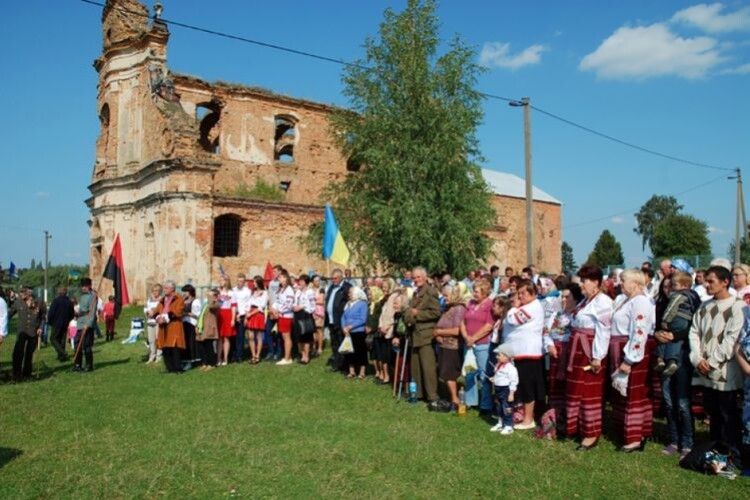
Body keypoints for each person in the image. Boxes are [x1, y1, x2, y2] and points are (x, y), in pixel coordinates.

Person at [688, 265, 744, 451]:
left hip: (726, 371)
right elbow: (694, 332)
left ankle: (730, 452)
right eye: (706, 281)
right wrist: (696, 358)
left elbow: (732, 339)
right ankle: (714, 449)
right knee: (713, 412)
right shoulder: (704, 306)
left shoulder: (738, 307)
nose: (706, 285)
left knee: (727, 413)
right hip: (705, 370)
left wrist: (711, 362)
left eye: (711, 281)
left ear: (725, 282)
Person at [566, 265, 613, 451]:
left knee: (589, 393)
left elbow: (604, 331)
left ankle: (591, 433)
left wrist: (598, 357)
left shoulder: (603, 302)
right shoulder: (586, 301)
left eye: (584, 281)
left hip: (589, 353)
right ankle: (579, 427)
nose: (582, 285)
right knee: (578, 390)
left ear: (595, 283)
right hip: (578, 352)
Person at [609, 269, 656, 452]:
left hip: (632, 352)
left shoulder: (641, 302)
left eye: (624, 280)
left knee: (633, 395)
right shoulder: (625, 300)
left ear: (636, 283)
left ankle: (635, 437)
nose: (620, 283)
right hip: (619, 348)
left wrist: (629, 359)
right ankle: (624, 431)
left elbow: (639, 330)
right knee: (622, 394)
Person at [501, 279, 545, 430]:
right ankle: (523, 416)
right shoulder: (528, 306)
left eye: (523, 293)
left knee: (528, 388)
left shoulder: (533, 306)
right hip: (521, 353)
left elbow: (514, 319)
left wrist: (514, 307)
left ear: (533, 293)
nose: (520, 297)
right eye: (518, 294)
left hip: (529, 353)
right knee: (523, 387)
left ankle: (529, 419)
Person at [544, 283, 583, 432]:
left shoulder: (578, 316)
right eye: (562, 297)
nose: (564, 300)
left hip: (571, 354)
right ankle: (555, 418)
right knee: (555, 386)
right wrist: (550, 346)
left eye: (568, 297)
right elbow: (546, 332)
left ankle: (571, 421)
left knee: (570, 387)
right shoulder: (556, 314)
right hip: (556, 353)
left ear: (576, 299)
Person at [404, 267, 442, 409]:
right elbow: (409, 311)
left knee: (428, 367)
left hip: (426, 335)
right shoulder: (415, 293)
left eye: (419, 277)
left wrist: (417, 314)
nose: (416, 279)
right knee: (416, 368)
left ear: (425, 277)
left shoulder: (431, 292)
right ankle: (418, 394)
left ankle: (432, 396)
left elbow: (436, 313)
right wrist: (409, 315)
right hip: (415, 334)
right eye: (414, 277)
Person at [654, 272, 700, 377]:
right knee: (668, 337)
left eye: (674, 285)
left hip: (679, 320)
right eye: (666, 287)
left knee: (669, 335)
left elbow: (671, 309)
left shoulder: (678, 295)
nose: (672, 289)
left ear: (683, 285)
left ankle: (662, 359)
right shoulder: (694, 294)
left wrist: (665, 321)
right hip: (687, 320)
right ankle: (670, 361)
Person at [460, 278, 495, 414]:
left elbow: (488, 326)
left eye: (477, 291)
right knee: (469, 372)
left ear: (485, 292)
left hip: (482, 344)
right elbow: (463, 321)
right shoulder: (470, 303)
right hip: (468, 344)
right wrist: (466, 337)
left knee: (484, 375)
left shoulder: (489, 305)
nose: (474, 293)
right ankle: (470, 401)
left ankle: (486, 404)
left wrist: (474, 338)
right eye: (473, 291)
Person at [433, 284, 467, 409]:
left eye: (446, 295)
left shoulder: (459, 309)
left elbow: (457, 330)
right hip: (443, 345)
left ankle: (455, 399)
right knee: (445, 373)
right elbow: (438, 326)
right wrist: (437, 335)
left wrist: (439, 332)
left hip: (453, 346)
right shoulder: (448, 308)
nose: (444, 298)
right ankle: (451, 396)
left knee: (450, 373)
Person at [11, 288, 45, 379]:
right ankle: (16, 373)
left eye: (23, 292)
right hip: (22, 331)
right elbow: (10, 314)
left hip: (33, 332)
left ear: (29, 293)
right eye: (20, 292)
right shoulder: (18, 302)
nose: (21, 294)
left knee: (29, 354)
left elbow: (43, 317)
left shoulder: (39, 302)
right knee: (18, 352)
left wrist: (41, 327)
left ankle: (27, 373)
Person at [154, 280, 186, 373]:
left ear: (172, 289)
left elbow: (179, 311)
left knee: (174, 347)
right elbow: (157, 310)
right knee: (165, 347)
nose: (164, 290)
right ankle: (169, 367)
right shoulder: (163, 299)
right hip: (163, 327)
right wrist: (156, 316)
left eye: (166, 288)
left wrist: (166, 317)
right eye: (164, 288)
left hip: (174, 325)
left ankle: (177, 368)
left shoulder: (178, 298)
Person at [325, 268, 351, 372]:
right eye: (332, 278)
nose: (333, 280)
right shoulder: (332, 287)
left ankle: (344, 365)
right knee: (334, 343)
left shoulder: (346, 288)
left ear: (341, 277)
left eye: (335, 278)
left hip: (341, 320)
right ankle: (336, 363)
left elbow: (349, 303)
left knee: (342, 342)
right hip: (331, 320)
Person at [489, 343, 519, 435]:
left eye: (499, 355)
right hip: (498, 390)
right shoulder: (498, 365)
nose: (497, 357)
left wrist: (511, 393)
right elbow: (498, 375)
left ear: (507, 356)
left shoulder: (511, 368)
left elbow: (513, 381)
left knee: (507, 408)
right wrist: (494, 378)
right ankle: (500, 423)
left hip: (506, 390)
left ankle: (509, 426)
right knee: (499, 407)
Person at [342, 286, 369, 378]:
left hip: (358, 331)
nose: (349, 294)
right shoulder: (348, 304)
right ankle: (351, 371)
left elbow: (362, 319)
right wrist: (344, 327)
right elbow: (343, 317)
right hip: (348, 332)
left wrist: (351, 326)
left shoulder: (363, 304)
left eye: (351, 292)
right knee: (349, 351)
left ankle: (362, 372)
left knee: (360, 351)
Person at [73, 278, 98, 373]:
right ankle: (77, 364)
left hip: (87, 323)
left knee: (87, 346)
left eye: (84, 286)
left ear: (89, 286)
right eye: (82, 286)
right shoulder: (82, 295)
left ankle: (89, 365)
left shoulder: (93, 296)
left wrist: (88, 324)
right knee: (77, 344)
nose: (82, 288)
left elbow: (92, 311)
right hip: (80, 322)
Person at [271, 270, 295, 365]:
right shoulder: (281, 289)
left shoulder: (289, 289)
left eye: (281, 277)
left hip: (286, 316)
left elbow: (288, 304)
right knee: (284, 337)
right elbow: (277, 301)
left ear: (285, 278)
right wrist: (273, 308)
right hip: (281, 316)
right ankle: (288, 356)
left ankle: (287, 358)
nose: (279, 279)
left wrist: (279, 311)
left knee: (287, 337)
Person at [47, 286, 75, 362]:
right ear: (66, 293)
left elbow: (51, 313)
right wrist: (68, 320)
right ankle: (61, 357)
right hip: (65, 323)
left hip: (56, 323)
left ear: (59, 293)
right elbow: (72, 314)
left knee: (53, 339)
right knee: (62, 340)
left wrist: (50, 322)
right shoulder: (69, 302)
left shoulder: (55, 301)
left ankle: (62, 353)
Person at [294, 274, 316, 364]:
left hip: (305, 315)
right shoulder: (298, 292)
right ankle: (302, 354)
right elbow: (295, 302)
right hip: (297, 314)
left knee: (306, 336)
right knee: (299, 336)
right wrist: (294, 307)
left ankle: (306, 356)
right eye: (300, 280)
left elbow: (312, 306)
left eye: (302, 281)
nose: (300, 282)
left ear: (306, 282)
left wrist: (302, 307)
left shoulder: (310, 292)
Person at [196, 288, 219, 371]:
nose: (208, 296)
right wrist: (197, 326)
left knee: (209, 347)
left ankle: (212, 363)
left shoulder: (216, 303)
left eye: (210, 295)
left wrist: (211, 298)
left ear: (215, 296)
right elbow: (201, 315)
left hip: (209, 328)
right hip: (202, 327)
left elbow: (211, 306)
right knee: (202, 347)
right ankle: (205, 363)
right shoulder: (205, 304)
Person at [246, 276, 268, 364]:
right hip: (251, 313)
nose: (253, 283)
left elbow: (262, 306)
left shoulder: (265, 293)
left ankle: (258, 355)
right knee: (250, 336)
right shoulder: (253, 292)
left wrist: (251, 313)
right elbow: (249, 303)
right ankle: (253, 355)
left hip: (258, 314)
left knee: (259, 336)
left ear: (259, 282)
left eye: (255, 282)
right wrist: (247, 313)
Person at [264, 265, 283, 361]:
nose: (273, 273)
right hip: (271, 311)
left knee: (279, 334)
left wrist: (277, 311)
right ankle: (271, 351)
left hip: (279, 312)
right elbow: (270, 297)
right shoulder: (271, 283)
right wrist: (271, 310)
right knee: (268, 331)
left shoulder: (282, 282)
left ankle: (279, 352)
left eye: (275, 271)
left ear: (280, 272)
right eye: (273, 272)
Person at [216, 275, 236, 366]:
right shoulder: (217, 291)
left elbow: (234, 306)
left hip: (227, 314)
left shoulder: (231, 293)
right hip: (219, 314)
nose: (221, 281)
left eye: (222, 280)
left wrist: (233, 318)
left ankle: (225, 358)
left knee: (226, 337)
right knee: (219, 338)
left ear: (227, 281)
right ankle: (218, 358)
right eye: (220, 280)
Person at [232, 273, 252, 363]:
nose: (240, 283)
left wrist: (246, 317)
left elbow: (248, 304)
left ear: (244, 282)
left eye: (242, 281)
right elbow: (233, 303)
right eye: (239, 281)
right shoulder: (233, 290)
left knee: (241, 336)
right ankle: (234, 354)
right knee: (234, 336)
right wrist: (236, 315)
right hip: (235, 315)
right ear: (237, 280)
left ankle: (240, 356)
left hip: (243, 315)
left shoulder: (247, 291)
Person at [181, 284, 201, 365]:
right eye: (183, 291)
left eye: (186, 291)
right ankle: (185, 360)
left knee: (191, 343)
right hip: (184, 324)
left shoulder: (195, 301)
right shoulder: (183, 301)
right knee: (185, 342)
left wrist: (187, 314)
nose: (184, 293)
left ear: (190, 292)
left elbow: (198, 315)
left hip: (191, 324)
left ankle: (192, 360)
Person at [144, 284, 163, 364]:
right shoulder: (149, 300)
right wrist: (147, 312)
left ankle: (159, 356)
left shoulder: (161, 300)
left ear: (160, 291)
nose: (155, 292)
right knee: (151, 340)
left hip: (158, 322)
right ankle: (152, 356)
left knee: (158, 339)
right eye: (154, 291)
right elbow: (145, 309)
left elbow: (162, 310)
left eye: (157, 291)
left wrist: (155, 311)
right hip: (150, 322)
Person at [312, 275, 325, 357]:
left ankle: (320, 347)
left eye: (318, 280)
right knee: (313, 330)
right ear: (312, 282)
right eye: (316, 280)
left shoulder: (321, 289)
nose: (318, 282)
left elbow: (321, 301)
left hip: (319, 312)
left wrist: (312, 300)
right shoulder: (310, 290)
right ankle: (313, 347)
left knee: (319, 329)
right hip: (312, 312)